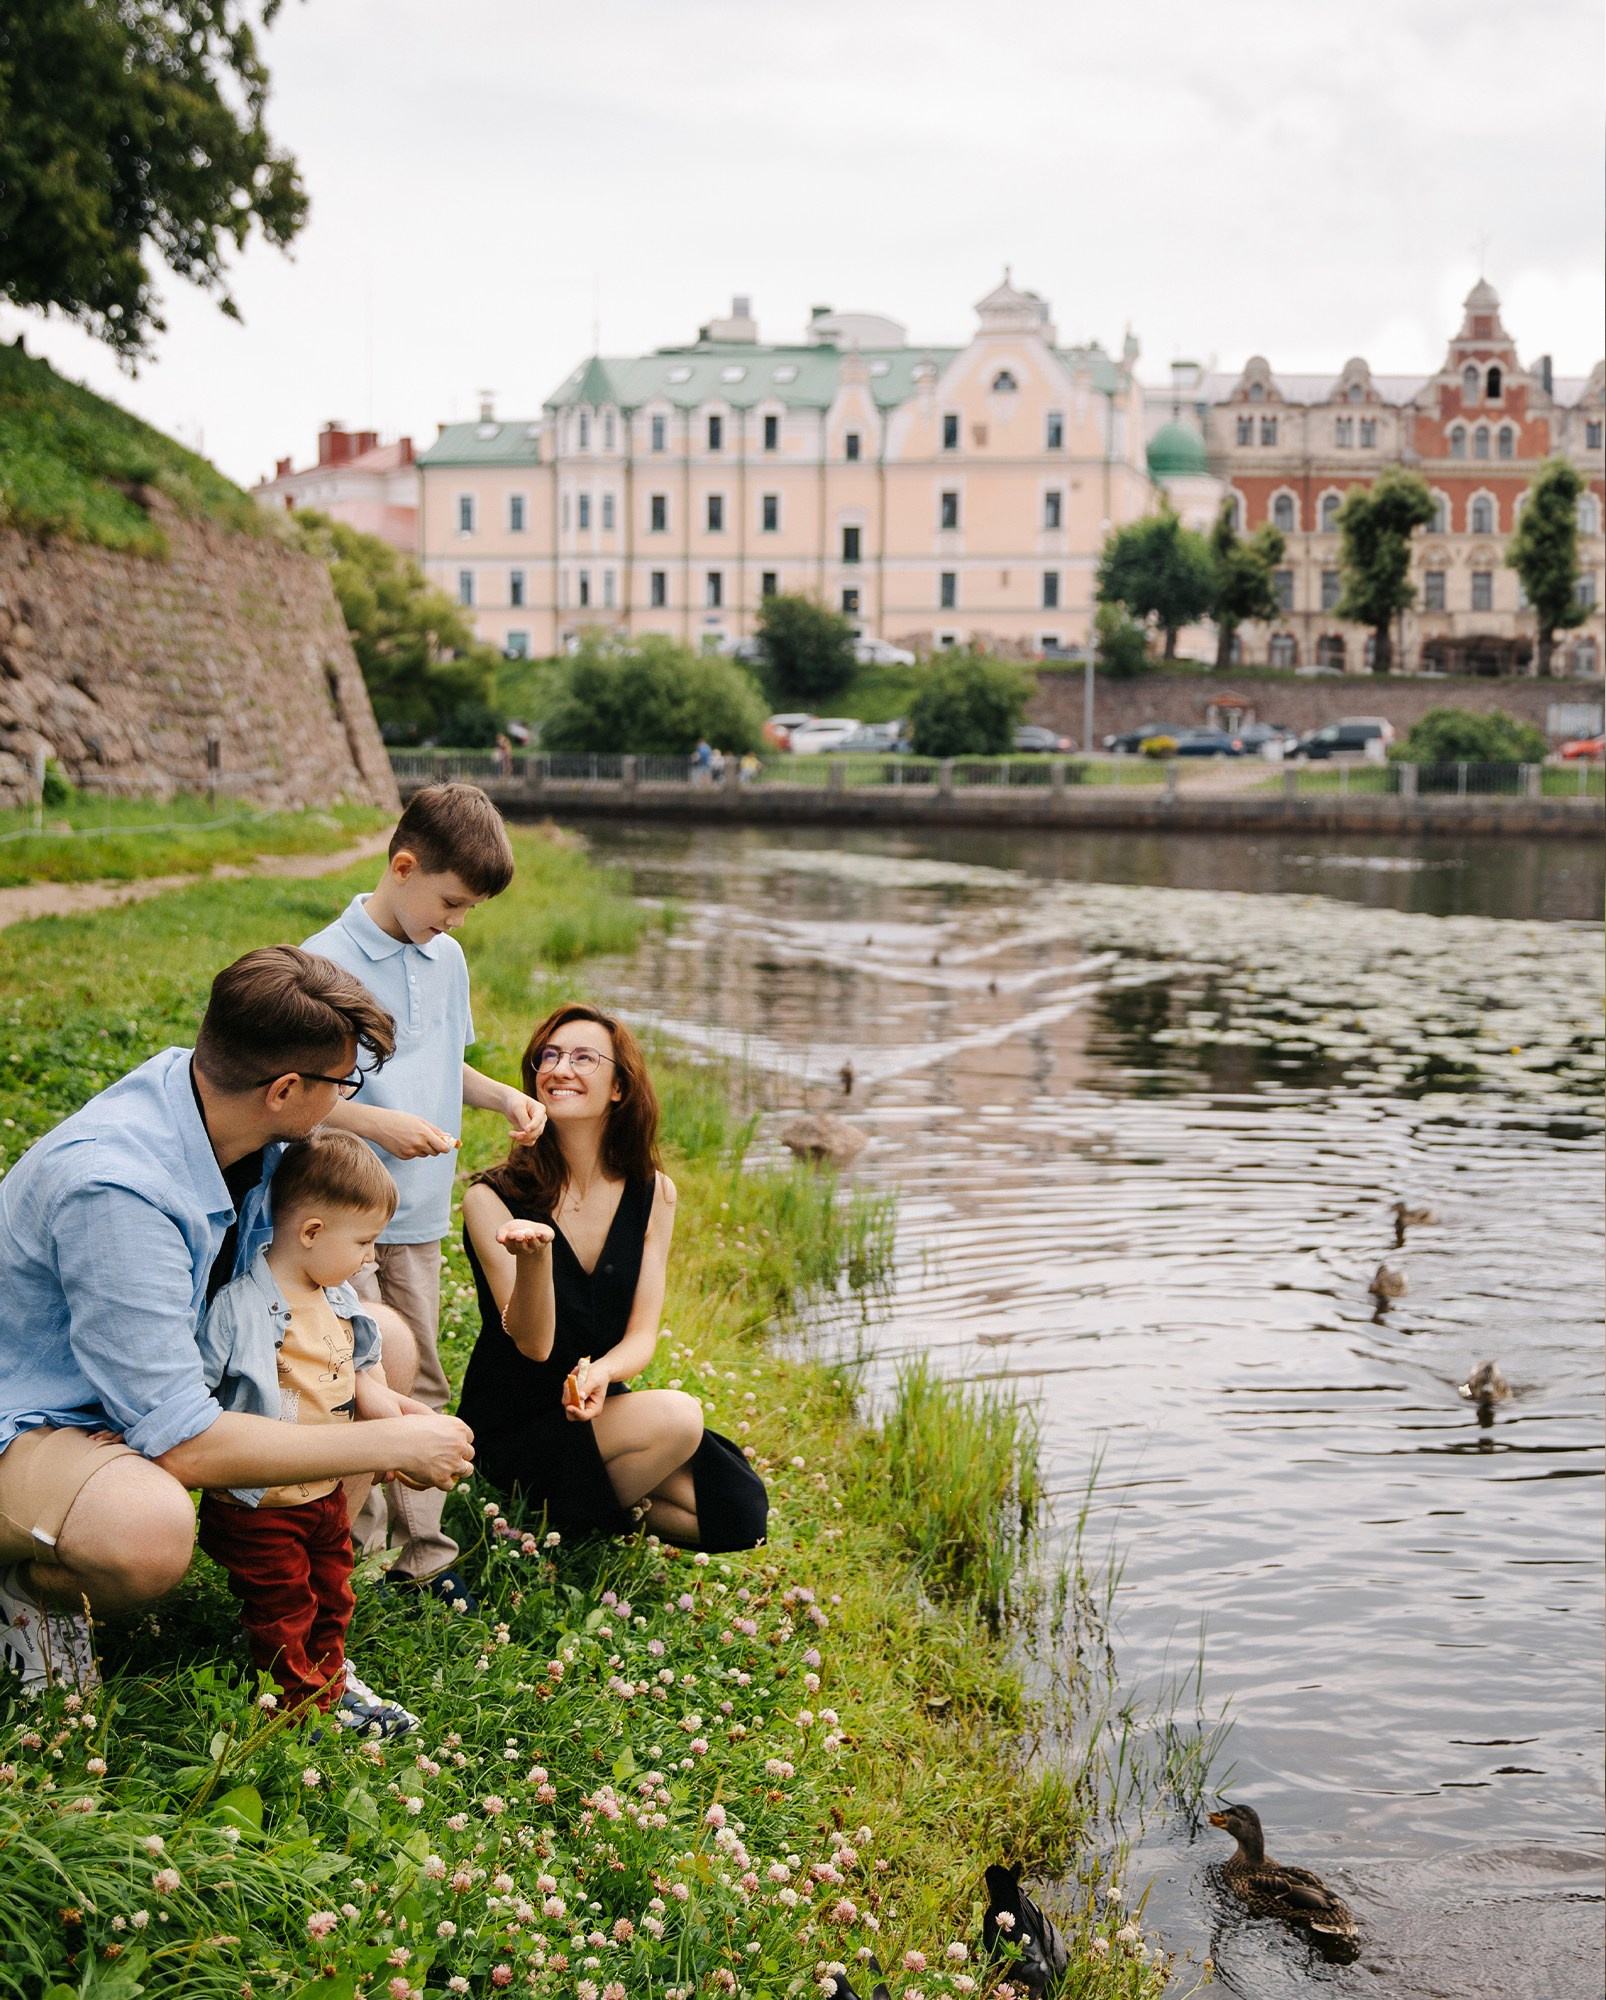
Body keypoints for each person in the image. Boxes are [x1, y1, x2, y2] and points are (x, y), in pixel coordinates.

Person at [0, 947, 475, 1693]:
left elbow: (313, 1294)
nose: (344, 1101)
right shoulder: (118, 1189)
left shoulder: (219, 1103)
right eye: (341, 1083)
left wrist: (375, 1395)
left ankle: (284, 1590)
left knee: (382, 1340)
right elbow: (184, 1441)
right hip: (39, 1416)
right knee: (146, 1530)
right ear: (284, 1088)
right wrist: (391, 1436)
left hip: (148, 1378)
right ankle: (28, 1597)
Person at [303, 782, 542, 1610]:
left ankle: (425, 1551)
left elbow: (447, 1062)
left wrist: (500, 1098)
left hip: (420, 1218)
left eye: (469, 909)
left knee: (424, 1375)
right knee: (357, 1375)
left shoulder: (447, 958)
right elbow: (298, 1097)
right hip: (344, 1218)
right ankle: (354, 1551)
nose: (458, 920)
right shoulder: (324, 964)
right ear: (403, 867)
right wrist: (382, 1126)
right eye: (450, 901)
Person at [457, 1004, 767, 1550]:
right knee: (678, 1416)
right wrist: (533, 1261)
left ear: (619, 1087)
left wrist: (602, 1374)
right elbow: (533, 1345)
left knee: (736, 1515)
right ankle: (553, 1519)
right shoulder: (491, 1199)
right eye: (548, 1057)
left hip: (596, 1408)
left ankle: (567, 1510)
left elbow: (642, 1335)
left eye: (583, 1057)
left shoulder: (654, 1193)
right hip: (515, 1420)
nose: (559, 1069)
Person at [197, 1131, 419, 1738]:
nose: (372, 1259)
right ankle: (301, 1710)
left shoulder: (337, 1296)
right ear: (313, 1232)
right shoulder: (242, 1306)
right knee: (283, 1607)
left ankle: (330, 1677)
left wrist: (394, 1428)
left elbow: (358, 1370)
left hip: (320, 1494)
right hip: (261, 1505)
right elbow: (192, 1385)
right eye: (365, 1243)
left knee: (332, 1595)